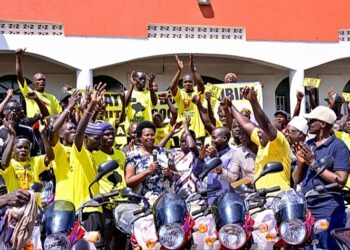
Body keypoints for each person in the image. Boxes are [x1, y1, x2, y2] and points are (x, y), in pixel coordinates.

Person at [292, 106, 349, 250]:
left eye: (312, 120)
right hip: (308, 210)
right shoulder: (308, 145)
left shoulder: (338, 147)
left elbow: (340, 181)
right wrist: (301, 164)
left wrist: (313, 163)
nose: (308, 123)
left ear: (323, 124)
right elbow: (296, 179)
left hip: (328, 211)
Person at [230, 87, 291, 191]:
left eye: (261, 129)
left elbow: (265, 124)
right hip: (262, 199)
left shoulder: (279, 143)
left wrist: (254, 102)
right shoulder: (261, 141)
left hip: (279, 198)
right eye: (258, 128)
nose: (258, 131)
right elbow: (246, 124)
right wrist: (230, 106)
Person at [69, 83, 106, 239]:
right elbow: (80, 132)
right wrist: (91, 106)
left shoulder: (91, 153)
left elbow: (88, 128)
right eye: (97, 139)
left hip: (96, 209)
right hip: (86, 210)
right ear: (85, 139)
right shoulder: (79, 150)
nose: (100, 142)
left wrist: (95, 108)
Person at [92, 122, 126, 250]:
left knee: (122, 238)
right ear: (99, 137)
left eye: (112, 134)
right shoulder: (94, 155)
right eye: (106, 135)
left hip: (122, 202)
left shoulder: (121, 154)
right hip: (105, 203)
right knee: (107, 237)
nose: (110, 137)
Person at [1, 114, 54, 192]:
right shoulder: (10, 164)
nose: (23, 150)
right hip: (16, 203)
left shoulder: (34, 161)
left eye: (26, 148)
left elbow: (50, 157)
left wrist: (42, 134)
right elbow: (4, 163)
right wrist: (12, 136)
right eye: (19, 147)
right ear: (13, 150)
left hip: (34, 203)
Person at [125, 121, 172, 197]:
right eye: (147, 135)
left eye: (152, 135)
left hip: (164, 202)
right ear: (139, 137)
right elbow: (129, 182)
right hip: (142, 203)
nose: (150, 137)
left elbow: (176, 175)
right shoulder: (132, 156)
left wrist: (170, 173)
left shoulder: (164, 152)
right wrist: (148, 171)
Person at [49, 90, 80, 202]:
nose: (74, 131)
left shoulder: (81, 149)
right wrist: (69, 107)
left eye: (75, 129)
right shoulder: (58, 149)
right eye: (70, 129)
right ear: (61, 134)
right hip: (64, 200)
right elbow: (53, 131)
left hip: (82, 201)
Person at [192, 127, 236, 205]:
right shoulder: (208, 155)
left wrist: (215, 158)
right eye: (211, 137)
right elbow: (196, 173)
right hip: (211, 199)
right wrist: (200, 159)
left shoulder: (233, 154)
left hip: (227, 199)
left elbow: (231, 176)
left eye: (214, 138)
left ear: (224, 138)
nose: (212, 140)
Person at [15, 48, 61, 117]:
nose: (42, 81)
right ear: (33, 82)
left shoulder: (52, 97)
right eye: (39, 80)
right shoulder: (29, 93)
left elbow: (61, 112)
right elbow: (19, 76)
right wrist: (18, 59)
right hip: (33, 126)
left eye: (43, 80)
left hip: (47, 126)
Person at [170, 54, 206, 141]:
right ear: (182, 84)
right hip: (182, 132)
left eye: (190, 81)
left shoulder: (197, 93)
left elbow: (201, 85)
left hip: (198, 132)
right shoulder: (180, 94)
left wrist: (193, 70)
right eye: (185, 82)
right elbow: (172, 87)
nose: (188, 83)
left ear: (193, 83)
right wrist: (179, 70)